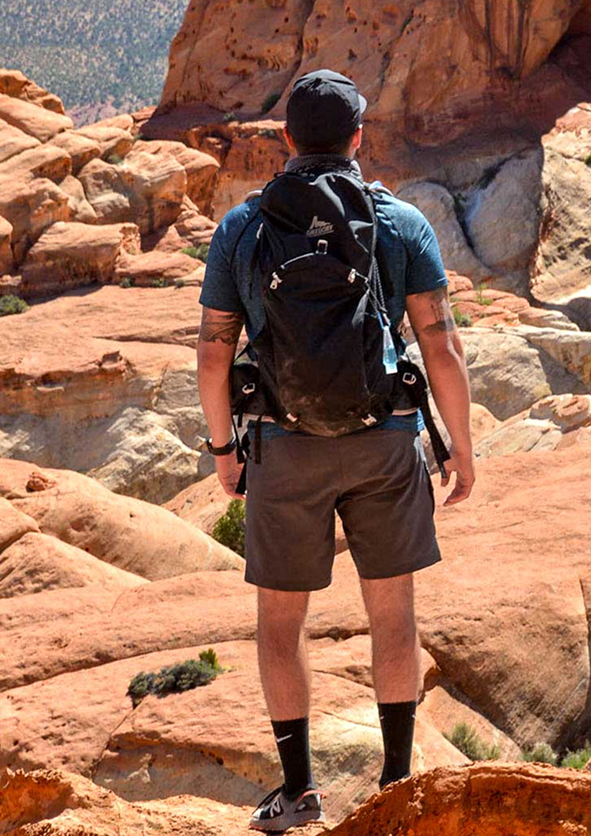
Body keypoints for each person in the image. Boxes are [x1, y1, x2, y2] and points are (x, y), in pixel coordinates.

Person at [196, 68, 476, 833]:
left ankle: (299, 791)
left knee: (281, 626)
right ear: (359, 136)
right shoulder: (402, 223)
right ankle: (395, 786)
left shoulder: (244, 227)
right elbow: (440, 345)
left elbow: (214, 354)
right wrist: (462, 448)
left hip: (284, 446)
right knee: (393, 618)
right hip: (384, 441)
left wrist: (225, 449)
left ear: (285, 138)